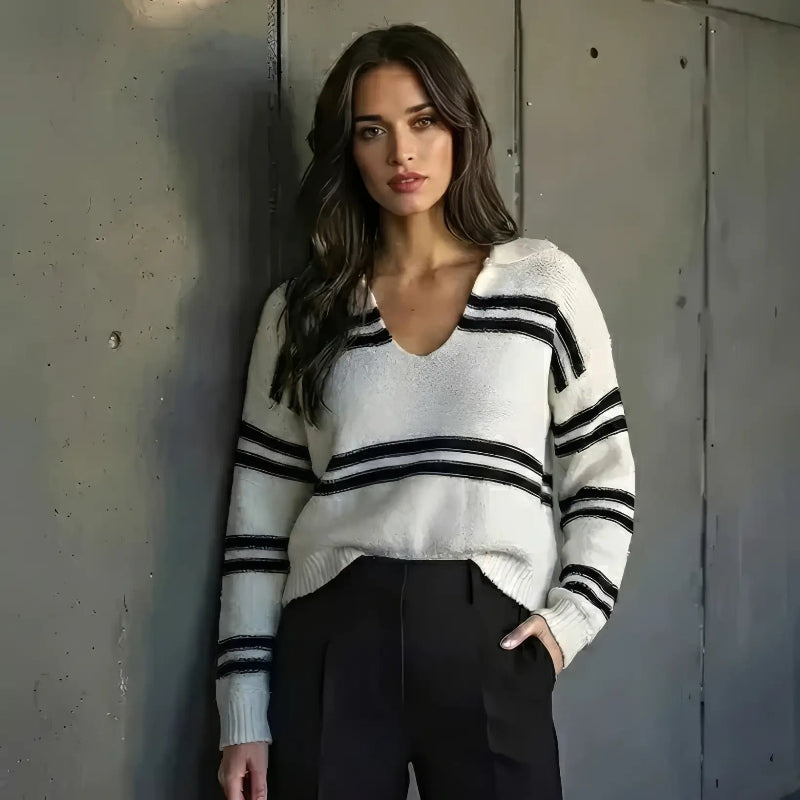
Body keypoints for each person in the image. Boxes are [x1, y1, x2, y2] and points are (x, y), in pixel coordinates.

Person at [215, 22, 635, 800]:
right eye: (372, 131)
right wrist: (243, 710)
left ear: (458, 127)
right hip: (334, 638)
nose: (401, 153)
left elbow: (602, 476)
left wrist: (570, 622)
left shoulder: (542, 286)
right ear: (349, 150)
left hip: (491, 636)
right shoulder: (302, 313)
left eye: (422, 122)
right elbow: (258, 521)